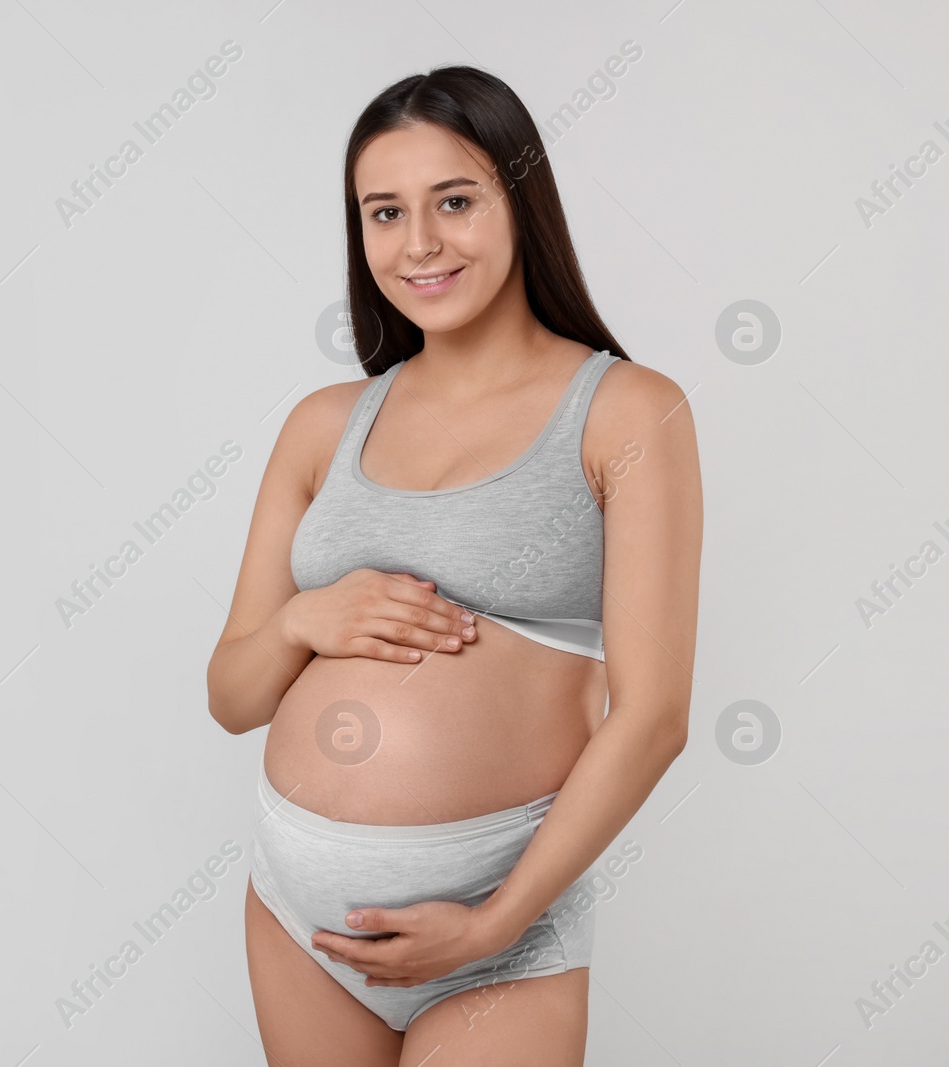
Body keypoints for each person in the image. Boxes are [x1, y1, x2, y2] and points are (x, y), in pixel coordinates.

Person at [206, 65, 702, 1065]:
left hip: (498, 929)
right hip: (301, 921)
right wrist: (304, 622)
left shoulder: (626, 412)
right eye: (383, 212)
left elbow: (652, 718)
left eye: (455, 201)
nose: (418, 242)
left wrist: (497, 921)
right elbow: (231, 693)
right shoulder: (321, 425)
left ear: (519, 201)